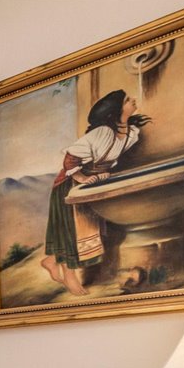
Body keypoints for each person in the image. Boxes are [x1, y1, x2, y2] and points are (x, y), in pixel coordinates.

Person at [39, 89, 151, 295]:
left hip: (90, 184)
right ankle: (70, 277)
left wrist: (100, 175)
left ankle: (51, 260)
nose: (132, 100)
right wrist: (82, 177)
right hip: (69, 185)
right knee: (71, 233)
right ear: (116, 110)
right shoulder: (102, 133)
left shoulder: (129, 132)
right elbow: (71, 158)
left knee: (87, 232)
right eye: (127, 100)